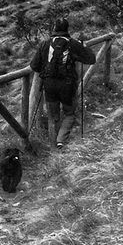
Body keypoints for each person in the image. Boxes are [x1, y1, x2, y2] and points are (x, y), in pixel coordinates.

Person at [29, 17, 96, 149]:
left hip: (49, 85)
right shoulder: (73, 43)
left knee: (53, 115)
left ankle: (52, 144)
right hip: (67, 86)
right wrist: (83, 47)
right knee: (69, 114)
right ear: (67, 29)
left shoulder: (45, 44)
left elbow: (34, 66)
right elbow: (91, 59)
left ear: (54, 28)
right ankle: (60, 140)